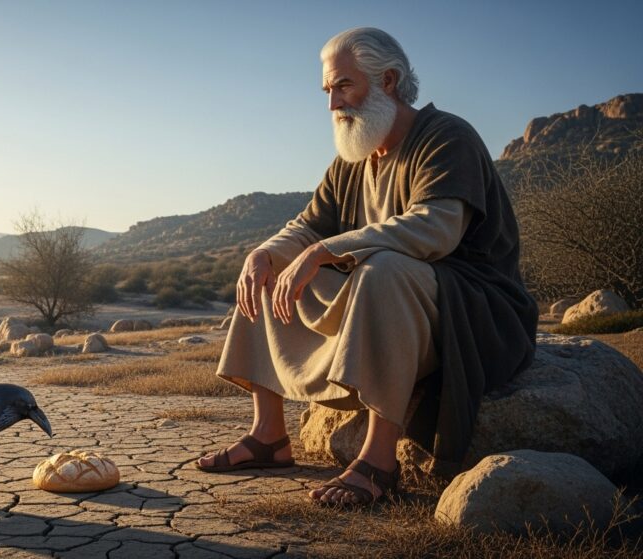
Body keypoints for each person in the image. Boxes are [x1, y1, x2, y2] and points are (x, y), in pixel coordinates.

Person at [196, 27, 537, 506]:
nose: (333, 104)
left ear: (389, 81)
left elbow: (436, 228)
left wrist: (323, 252)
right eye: (328, 91)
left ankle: (379, 460)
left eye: (343, 86)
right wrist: (266, 254)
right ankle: (269, 436)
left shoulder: (446, 137)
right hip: (397, 305)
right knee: (272, 270)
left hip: (471, 308)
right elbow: (309, 226)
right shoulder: (354, 157)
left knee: (384, 272)